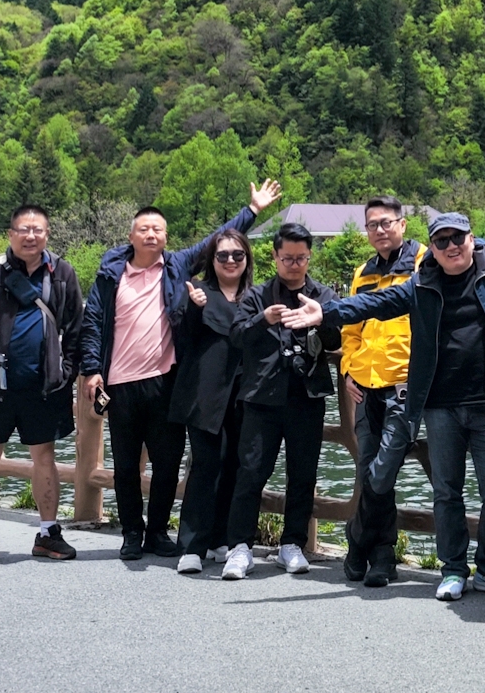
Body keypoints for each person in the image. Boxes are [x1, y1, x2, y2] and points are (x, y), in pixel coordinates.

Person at [310, 212, 485, 600]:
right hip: (438, 405)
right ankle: (453, 569)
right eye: (442, 241)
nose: (451, 246)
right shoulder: (422, 283)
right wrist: (325, 312)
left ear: (472, 239)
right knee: (447, 492)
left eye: (458, 238)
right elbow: (375, 303)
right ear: (432, 249)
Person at [81, 178, 281, 561]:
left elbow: (216, 243)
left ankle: (158, 531)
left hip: (165, 381)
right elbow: (92, 322)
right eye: (144, 229)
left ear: (166, 236)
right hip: (120, 382)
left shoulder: (175, 266)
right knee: (125, 465)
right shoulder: (111, 275)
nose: (151, 235)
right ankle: (131, 533)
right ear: (131, 235)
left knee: (168, 463)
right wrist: (92, 369)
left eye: (158, 229)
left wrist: (253, 210)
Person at [0, 205, 86, 565]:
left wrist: (66, 371)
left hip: (44, 387)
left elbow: (76, 327)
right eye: (23, 230)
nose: (30, 236)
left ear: (47, 234)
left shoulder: (62, 273)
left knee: (45, 456)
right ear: (10, 234)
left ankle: (48, 533)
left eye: (37, 230)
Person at [222, 223, 341, 579]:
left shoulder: (323, 295)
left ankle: (292, 543)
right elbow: (236, 336)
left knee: (303, 474)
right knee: (250, 472)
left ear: (309, 257)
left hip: (306, 395)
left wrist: (319, 319)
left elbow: (337, 340)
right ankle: (239, 547)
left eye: (301, 258)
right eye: (287, 258)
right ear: (274, 256)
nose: (294, 264)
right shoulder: (257, 296)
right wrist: (263, 319)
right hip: (262, 397)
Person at [339, 197, 425, 587]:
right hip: (365, 386)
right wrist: (347, 370)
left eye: (386, 222)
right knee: (370, 471)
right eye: (372, 225)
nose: (379, 230)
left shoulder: (424, 263)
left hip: (404, 386)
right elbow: (350, 330)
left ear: (402, 224)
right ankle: (382, 556)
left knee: (380, 472)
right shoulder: (363, 272)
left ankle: (356, 541)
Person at [168, 226, 255, 573]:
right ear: (211, 260)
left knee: (236, 465)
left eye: (237, 254)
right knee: (206, 466)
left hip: (244, 394)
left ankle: (221, 539)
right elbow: (181, 338)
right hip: (204, 393)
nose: (230, 260)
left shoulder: (256, 296)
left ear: (247, 259)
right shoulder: (197, 291)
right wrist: (193, 309)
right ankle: (191, 545)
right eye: (222, 255)